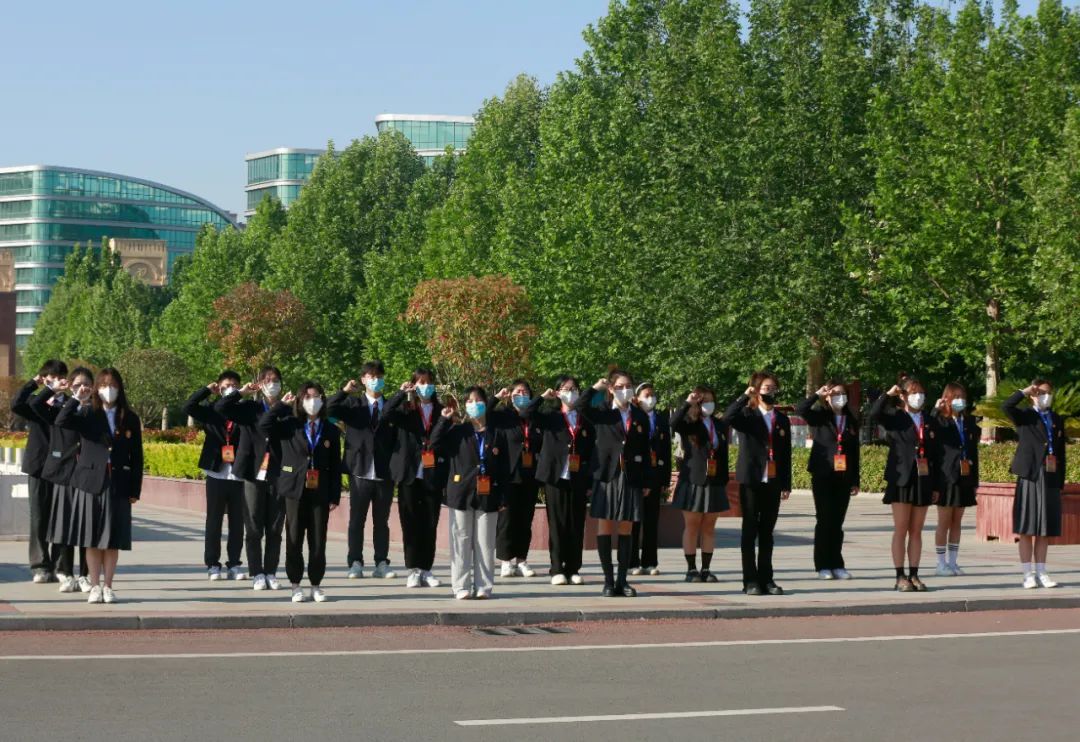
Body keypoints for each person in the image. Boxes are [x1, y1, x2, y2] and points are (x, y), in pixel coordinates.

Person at [54, 368, 143, 604]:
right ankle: (94, 585)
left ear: (120, 388)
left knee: (112, 539)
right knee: (91, 538)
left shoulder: (130, 417)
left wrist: (135, 489)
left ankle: (108, 586)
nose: (108, 389)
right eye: (103, 385)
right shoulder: (87, 412)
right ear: (96, 388)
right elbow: (61, 421)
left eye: (112, 385)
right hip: (91, 482)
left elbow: (137, 456)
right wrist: (76, 398)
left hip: (118, 483)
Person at [575, 369, 654, 598]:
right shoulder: (602, 412)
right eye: (619, 387)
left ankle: (622, 580)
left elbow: (645, 449)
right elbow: (580, 406)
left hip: (631, 476)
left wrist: (647, 479)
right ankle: (608, 581)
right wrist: (595, 388)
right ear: (611, 389)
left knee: (626, 527)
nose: (624, 390)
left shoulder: (639, 415)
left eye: (628, 386)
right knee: (606, 526)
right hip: (607, 475)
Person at [259, 383, 341, 603]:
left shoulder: (331, 429)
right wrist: (280, 406)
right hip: (294, 489)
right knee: (294, 538)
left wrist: (334, 495)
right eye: (308, 397)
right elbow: (264, 425)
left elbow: (335, 465)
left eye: (317, 396)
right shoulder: (290, 424)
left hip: (320, 491)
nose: (313, 401)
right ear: (300, 400)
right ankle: (295, 584)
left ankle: (316, 585)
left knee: (318, 540)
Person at [430, 387, 509, 599]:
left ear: (485, 403)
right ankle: (461, 586)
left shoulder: (497, 433)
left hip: (489, 494)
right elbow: (434, 444)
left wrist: (503, 496)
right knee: (461, 541)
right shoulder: (458, 431)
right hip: (461, 493)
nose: (474, 404)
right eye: (470, 401)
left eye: (478, 400)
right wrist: (443, 420)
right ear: (465, 405)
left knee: (485, 543)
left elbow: (505, 467)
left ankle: (483, 586)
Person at [215, 366, 286, 591]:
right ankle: (257, 572)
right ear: (260, 383)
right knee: (254, 527)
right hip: (252, 472)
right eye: (268, 380)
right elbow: (221, 408)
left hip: (277, 473)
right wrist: (240, 393)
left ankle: (271, 572)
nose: (272, 384)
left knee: (275, 528)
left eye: (276, 380)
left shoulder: (286, 408)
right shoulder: (250, 408)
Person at [723, 371, 793, 596]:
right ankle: (750, 580)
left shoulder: (781, 419)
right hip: (751, 479)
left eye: (773, 388)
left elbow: (786, 454)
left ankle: (767, 578)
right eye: (765, 388)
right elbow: (727, 418)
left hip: (772, 480)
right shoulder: (747, 414)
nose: (770, 392)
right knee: (750, 529)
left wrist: (786, 484)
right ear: (756, 390)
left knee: (767, 532)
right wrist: (745, 396)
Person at [327, 361, 397, 580]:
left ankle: (381, 562)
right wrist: (344, 391)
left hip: (384, 472)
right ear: (363, 379)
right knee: (357, 520)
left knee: (381, 521)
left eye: (379, 376)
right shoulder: (353, 404)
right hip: (359, 470)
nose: (375, 380)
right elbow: (328, 409)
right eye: (371, 376)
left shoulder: (391, 406)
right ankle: (355, 562)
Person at [871, 373, 940, 592]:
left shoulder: (929, 420)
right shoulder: (895, 416)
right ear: (903, 395)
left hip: (923, 479)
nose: (918, 397)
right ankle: (900, 576)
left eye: (921, 393)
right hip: (901, 478)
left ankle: (914, 574)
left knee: (916, 530)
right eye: (913, 392)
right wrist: (887, 395)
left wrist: (936, 485)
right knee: (901, 528)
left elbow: (937, 454)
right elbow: (874, 413)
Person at [526, 376, 594, 586]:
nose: (571, 393)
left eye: (574, 389)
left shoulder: (585, 418)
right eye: (566, 389)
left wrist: (590, 481)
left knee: (576, 523)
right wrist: (542, 398)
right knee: (557, 524)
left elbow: (592, 451)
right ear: (557, 392)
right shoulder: (550, 416)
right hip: (555, 477)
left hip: (578, 477)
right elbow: (527, 413)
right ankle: (556, 568)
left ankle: (573, 568)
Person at [384, 369, 447, 588]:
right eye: (420, 382)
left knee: (430, 523)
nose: (425, 386)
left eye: (428, 382)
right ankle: (413, 569)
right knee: (410, 522)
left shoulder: (441, 410)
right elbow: (385, 414)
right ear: (413, 384)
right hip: (409, 473)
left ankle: (426, 569)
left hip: (432, 474)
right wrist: (401, 393)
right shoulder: (406, 409)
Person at [182, 372, 247, 582]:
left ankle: (234, 564)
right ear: (219, 388)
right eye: (227, 385)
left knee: (237, 523)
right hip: (216, 472)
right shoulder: (211, 410)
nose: (232, 388)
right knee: (214, 521)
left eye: (235, 385)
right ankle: (212, 564)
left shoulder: (244, 411)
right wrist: (205, 391)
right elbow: (188, 406)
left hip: (238, 474)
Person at [33, 366, 92, 593]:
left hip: (88, 475)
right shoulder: (63, 407)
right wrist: (52, 389)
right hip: (65, 474)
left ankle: (85, 574)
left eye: (86, 385)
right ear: (69, 387)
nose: (82, 389)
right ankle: (66, 573)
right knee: (65, 526)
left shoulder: (96, 410)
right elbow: (36, 405)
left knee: (86, 529)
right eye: (77, 385)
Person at [1003, 379, 1067, 589]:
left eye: (1048, 393)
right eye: (1040, 393)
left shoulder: (1056, 418)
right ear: (1033, 395)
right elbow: (1006, 406)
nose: (1045, 396)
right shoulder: (1025, 416)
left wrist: (1060, 481)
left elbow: (1061, 452)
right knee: (1027, 527)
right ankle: (1027, 574)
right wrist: (1024, 391)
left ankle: (1042, 571)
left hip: (1050, 475)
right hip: (1030, 474)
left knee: (1044, 528)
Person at [10, 359, 68, 583]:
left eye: (60, 377)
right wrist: (33, 383)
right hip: (38, 466)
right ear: (44, 379)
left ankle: (60, 566)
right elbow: (16, 404)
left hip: (62, 468)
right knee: (39, 516)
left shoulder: (69, 404)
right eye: (51, 378)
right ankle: (40, 566)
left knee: (61, 517)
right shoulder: (35, 402)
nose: (56, 382)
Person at [796, 380, 860, 580]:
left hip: (844, 476)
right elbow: (800, 409)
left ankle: (837, 564)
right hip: (823, 474)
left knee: (837, 522)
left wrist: (855, 480)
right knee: (824, 519)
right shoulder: (820, 416)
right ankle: (822, 565)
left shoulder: (851, 419)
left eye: (842, 393)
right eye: (834, 394)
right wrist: (817, 395)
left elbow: (855, 451)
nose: (839, 397)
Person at [670, 385, 730, 583]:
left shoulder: (719, 424)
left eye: (711, 400)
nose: (708, 404)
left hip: (715, 481)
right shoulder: (689, 423)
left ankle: (706, 568)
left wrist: (724, 479)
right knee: (692, 525)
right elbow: (673, 422)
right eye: (703, 401)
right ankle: (691, 569)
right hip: (693, 480)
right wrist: (687, 403)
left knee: (709, 527)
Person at [491, 379, 543, 579]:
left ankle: (522, 559)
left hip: (530, 475)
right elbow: (485, 413)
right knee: (507, 520)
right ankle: (506, 561)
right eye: (517, 392)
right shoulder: (503, 416)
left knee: (525, 520)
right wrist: (497, 397)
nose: (521, 395)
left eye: (525, 392)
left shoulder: (535, 418)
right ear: (510, 395)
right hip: (509, 476)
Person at [931, 382, 980, 577]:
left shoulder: (968, 422)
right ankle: (940, 563)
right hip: (946, 477)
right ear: (947, 399)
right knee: (944, 521)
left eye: (962, 397)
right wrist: (936, 410)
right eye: (956, 397)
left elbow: (973, 452)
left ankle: (953, 562)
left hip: (965, 476)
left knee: (957, 521)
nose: (960, 401)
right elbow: (927, 428)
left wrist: (975, 481)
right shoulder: (941, 421)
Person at [630, 382, 671, 577]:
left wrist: (665, 480)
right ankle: (632, 561)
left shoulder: (661, 419)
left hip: (655, 475)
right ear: (637, 398)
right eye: (646, 395)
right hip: (636, 474)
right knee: (634, 520)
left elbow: (666, 451)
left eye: (652, 394)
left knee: (651, 521)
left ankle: (650, 561)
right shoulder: (633, 417)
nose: (650, 398)